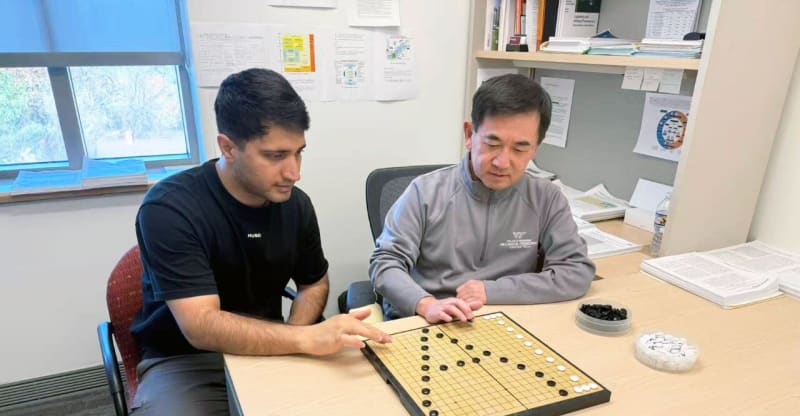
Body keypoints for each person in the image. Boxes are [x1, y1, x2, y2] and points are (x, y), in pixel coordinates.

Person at [130, 68, 390, 415]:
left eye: (299, 152)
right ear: (228, 147)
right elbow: (200, 326)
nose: (294, 172)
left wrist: (296, 339)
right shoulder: (170, 208)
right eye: (275, 156)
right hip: (187, 362)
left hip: (273, 343)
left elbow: (313, 283)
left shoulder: (296, 204)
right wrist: (303, 339)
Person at [369, 74, 595, 323]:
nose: (502, 162)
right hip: (428, 321)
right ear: (469, 134)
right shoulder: (424, 192)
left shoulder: (546, 198)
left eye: (520, 149)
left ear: (535, 148)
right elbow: (385, 264)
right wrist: (426, 304)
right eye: (492, 143)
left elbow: (576, 272)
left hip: (506, 319)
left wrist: (491, 290)